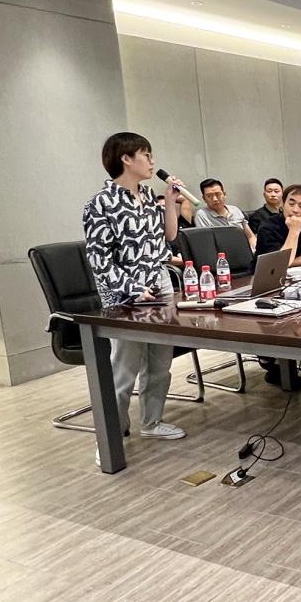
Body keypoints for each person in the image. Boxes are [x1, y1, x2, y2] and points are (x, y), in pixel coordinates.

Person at [83, 132, 189, 458]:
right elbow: (100, 261)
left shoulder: (147, 196)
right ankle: (111, 437)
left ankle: (152, 421)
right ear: (126, 159)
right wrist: (132, 288)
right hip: (125, 296)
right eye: (146, 155)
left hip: (159, 285)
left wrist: (169, 202)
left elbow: (167, 237)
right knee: (124, 370)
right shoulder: (101, 203)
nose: (152, 162)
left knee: (160, 362)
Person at [254, 183, 301, 269]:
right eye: (291, 204)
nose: (295, 210)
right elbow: (280, 262)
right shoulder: (267, 227)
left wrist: (288, 263)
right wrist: (294, 231)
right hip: (265, 274)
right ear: (283, 204)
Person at [194, 178, 257, 250]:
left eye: (218, 194)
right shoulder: (202, 215)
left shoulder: (235, 210)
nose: (215, 199)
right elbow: (207, 243)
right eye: (209, 196)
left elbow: (250, 236)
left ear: (224, 194)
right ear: (204, 199)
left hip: (246, 251)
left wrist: (256, 250)